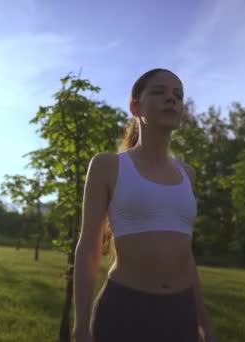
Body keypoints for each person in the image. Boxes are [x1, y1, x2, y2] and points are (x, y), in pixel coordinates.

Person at [72, 68, 215, 342]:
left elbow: (186, 255)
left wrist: (204, 322)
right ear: (135, 106)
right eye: (160, 92)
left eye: (178, 96)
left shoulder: (188, 174)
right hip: (125, 309)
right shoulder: (108, 165)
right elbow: (89, 245)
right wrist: (80, 327)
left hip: (181, 313)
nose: (171, 100)